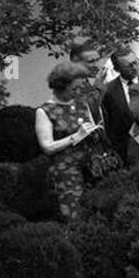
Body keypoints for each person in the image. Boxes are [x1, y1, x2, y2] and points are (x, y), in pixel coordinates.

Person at [35, 62, 105, 221]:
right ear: (60, 86)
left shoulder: (81, 103)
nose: (78, 91)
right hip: (66, 173)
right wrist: (75, 137)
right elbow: (47, 147)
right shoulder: (45, 111)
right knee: (74, 216)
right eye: (74, 89)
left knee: (96, 214)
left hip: (92, 169)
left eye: (80, 87)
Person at [102, 48, 139, 168]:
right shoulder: (108, 91)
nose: (135, 67)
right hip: (127, 151)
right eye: (129, 65)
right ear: (117, 69)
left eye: (136, 62)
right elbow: (109, 124)